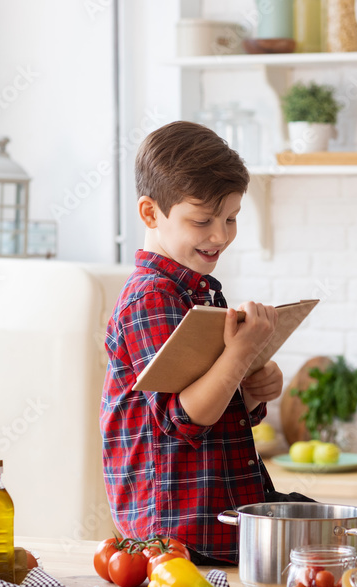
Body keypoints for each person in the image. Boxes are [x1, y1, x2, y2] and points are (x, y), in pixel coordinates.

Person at [100, 121, 284, 564]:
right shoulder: (152, 298)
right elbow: (185, 419)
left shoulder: (197, 291)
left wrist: (251, 389)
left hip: (216, 520)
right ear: (150, 214)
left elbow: (216, 405)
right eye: (202, 220)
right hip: (177, 534)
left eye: (231, 218)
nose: (220, 235)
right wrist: (240, 354)